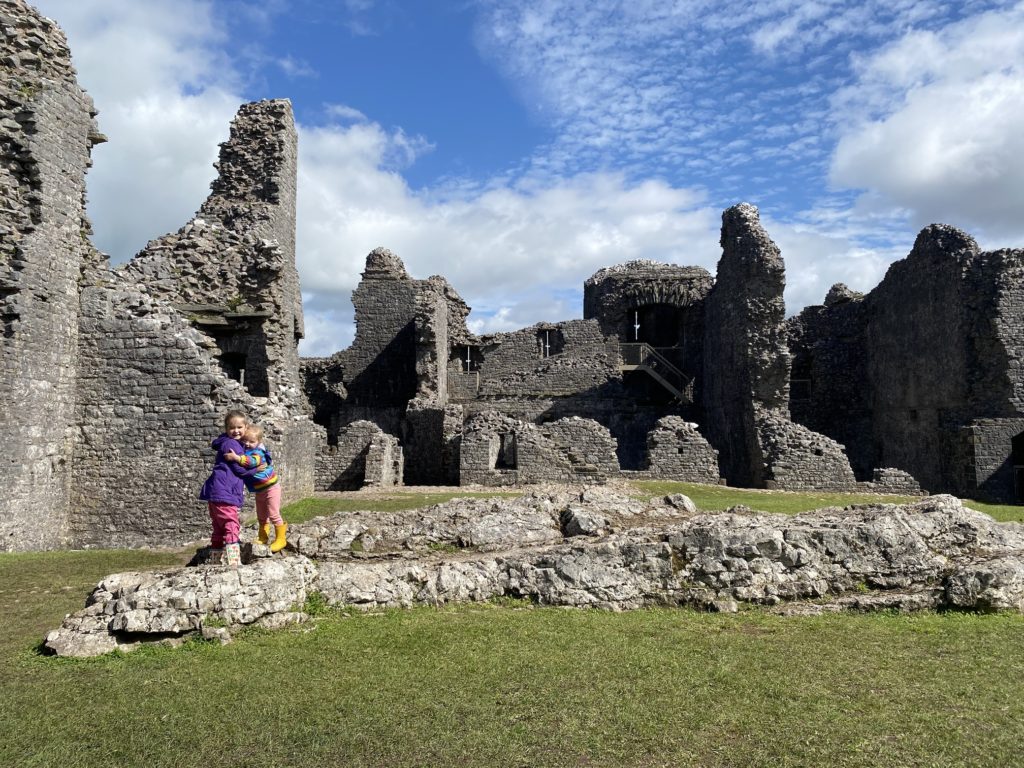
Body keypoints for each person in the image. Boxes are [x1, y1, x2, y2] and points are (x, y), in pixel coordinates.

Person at [198, 409, 256, 568]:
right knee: (231, 525)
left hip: (216, 493)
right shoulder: (231, 444)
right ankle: (234, 563)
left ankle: (215, 562)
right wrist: (257, 470)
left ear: (246, 428)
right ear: (226, 429)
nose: (236, 431)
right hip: (225, 493)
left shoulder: (225, 441)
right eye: (232, 428)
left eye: (239, 427)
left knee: (218, 528)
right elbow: (239, 469)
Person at [224, 424, 287, 553]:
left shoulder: (258, 452)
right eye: (244, 440)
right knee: (262, 516)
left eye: (252, 441)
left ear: (259, 442)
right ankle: (263, 537)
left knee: (274, 514)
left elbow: (251, 462)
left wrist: (236, 457)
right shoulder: (246, 449)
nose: (247, 444)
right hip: (260, 490)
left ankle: (281, 539)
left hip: (271, 487)